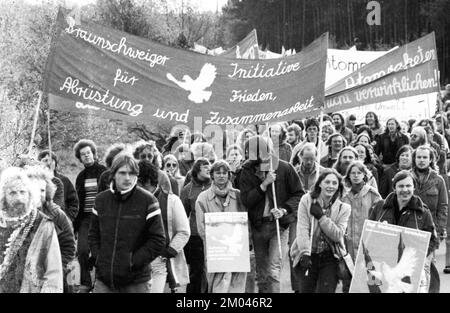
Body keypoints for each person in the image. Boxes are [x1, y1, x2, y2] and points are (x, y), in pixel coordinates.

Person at [88, 153, 166, 293]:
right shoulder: (101, 200)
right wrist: (99, 259)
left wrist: (132, 261)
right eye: (122, 173)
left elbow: (158, 240)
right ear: (113, 174)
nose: (127, 178)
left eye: (132, 173)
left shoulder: (148, 201)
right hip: (104, 279)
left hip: (135, 281)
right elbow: (93, 235)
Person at [240, 135, 304, 293]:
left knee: (274, 270)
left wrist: (284, 210)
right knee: (262, 272)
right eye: (252, 152)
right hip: (258, 225)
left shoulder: (284, 168)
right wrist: (264, 185)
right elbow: (247, 200)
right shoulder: (246, 171)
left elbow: (299, 194)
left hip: (279, 225)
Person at [369, 170, 439, 293]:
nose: (405, 190)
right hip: (385, 266)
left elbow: (433, 241)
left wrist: (419, 256)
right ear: (394, 188)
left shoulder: (423, 213)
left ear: (414, 187)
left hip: (409, 269)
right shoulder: (380, 207)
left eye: (408, 186)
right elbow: (369, 235)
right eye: (401, 186)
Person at [0, 167, 63, 292]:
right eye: (12, 193)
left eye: (22, 192)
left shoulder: (43, 224)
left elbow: (54, 272)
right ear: (4, 196)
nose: (19, 198)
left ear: (29, 194)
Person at [291, 168, 351, 293]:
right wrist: (305, 252)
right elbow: (303, 228)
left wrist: (322, 217)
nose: (330, 186)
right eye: (327, 182)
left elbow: (338, 235)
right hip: (308, 254)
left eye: (334, 183)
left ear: (338, 186)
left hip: (330, 257)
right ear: (320, 183)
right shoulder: (307, 200)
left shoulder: (344, 208)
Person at [137, 160, 190, 293]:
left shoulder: (172, 201)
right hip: (137, 262)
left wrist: (168, 252)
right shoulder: (132, 201)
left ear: (147, 181)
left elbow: (184, 231)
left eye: (136, 180)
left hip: (164, 261)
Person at [195, 160, 247, 293]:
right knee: (217, 287)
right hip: (216, 252)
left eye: (225, 173)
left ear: (229, 175)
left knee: (236, 287)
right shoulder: (202, 198)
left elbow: (246, 222)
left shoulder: (239, 195)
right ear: (212, 175)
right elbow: (201, 228)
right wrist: (217, 243)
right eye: (218, 173)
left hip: (237, 251)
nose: (221, 176)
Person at [25, 165, 76, 292]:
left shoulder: (57, 215)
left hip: (52, 277)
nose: (39, 195)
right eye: (34, 190)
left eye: (42, 190)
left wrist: (58, 270)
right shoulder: (17, 214)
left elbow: (69, 246)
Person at [411, 145, 448, 293]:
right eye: (418, 157)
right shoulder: (407, 176)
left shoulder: (438, 180)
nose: (421, 160)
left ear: (431, 159)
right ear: (414, 159)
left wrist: (438, 231)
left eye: (425, 157)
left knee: (427, 269)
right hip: (409, 228)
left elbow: (443, 207)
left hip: (429, 231)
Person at [341, 161, 381, 292]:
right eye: (353, 173)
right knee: (349, 281)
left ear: (365, 175)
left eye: (359, 173)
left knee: (371, 281)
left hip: (368, 244)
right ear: (348, 176)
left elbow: (381, 216)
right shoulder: (343, 195)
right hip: (348, 243)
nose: (356, 176)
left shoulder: (372, 194)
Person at [73, 139, 107, 293]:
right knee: (82, 251)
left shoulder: (104, 172)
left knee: (100, 251)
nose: (86, 156)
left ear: (93, 153)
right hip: (85, 219)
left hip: (102, 218)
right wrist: (75, 225)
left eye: (88, 153)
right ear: (79, 158)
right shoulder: (80, 176)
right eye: (83, 154)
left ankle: (100, 282)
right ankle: (85, 283)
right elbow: (77, 201)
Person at [180, 158, 212, 293]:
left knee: (212, 271)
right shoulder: (188, 190)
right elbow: (182, 214)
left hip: (214, 234)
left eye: (209, 166)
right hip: (195, 236)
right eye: (205, 167)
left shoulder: (215, 186)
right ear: (197, 169)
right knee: (196, 272)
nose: (208, 169)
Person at [38, 150, 79, 223]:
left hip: (61, 223)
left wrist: (68, 218)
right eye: (45, 160)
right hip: (41, 223)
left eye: (51, 160)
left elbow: (73, 202)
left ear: (55, 163)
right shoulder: (36, 181)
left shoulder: (64, 180)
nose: (49, 163)